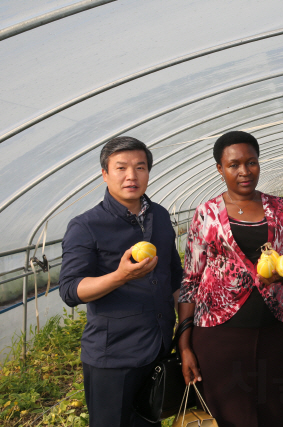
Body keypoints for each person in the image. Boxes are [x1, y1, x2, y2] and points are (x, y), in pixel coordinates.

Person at [177, 131, 283, 427]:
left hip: (273, 331)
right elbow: (190, 282)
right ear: (220, 169)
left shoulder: (280, 207)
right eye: (234, 165)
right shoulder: (206, 213)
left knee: (277, 411)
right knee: (230, 415)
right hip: (219, 336)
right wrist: (184, 345)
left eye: (251, 162)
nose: (245, 171)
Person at [58, 136, 183, 427]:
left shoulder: (160, 217)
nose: (131, 176)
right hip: (114, 356)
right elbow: (70, 290)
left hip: (159, 348)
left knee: (150, 421)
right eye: (121, 168)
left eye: (140, 167)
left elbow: (173, 274)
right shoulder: (86, 225)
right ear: (105, 174)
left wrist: (185, 326)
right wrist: (120, 276)